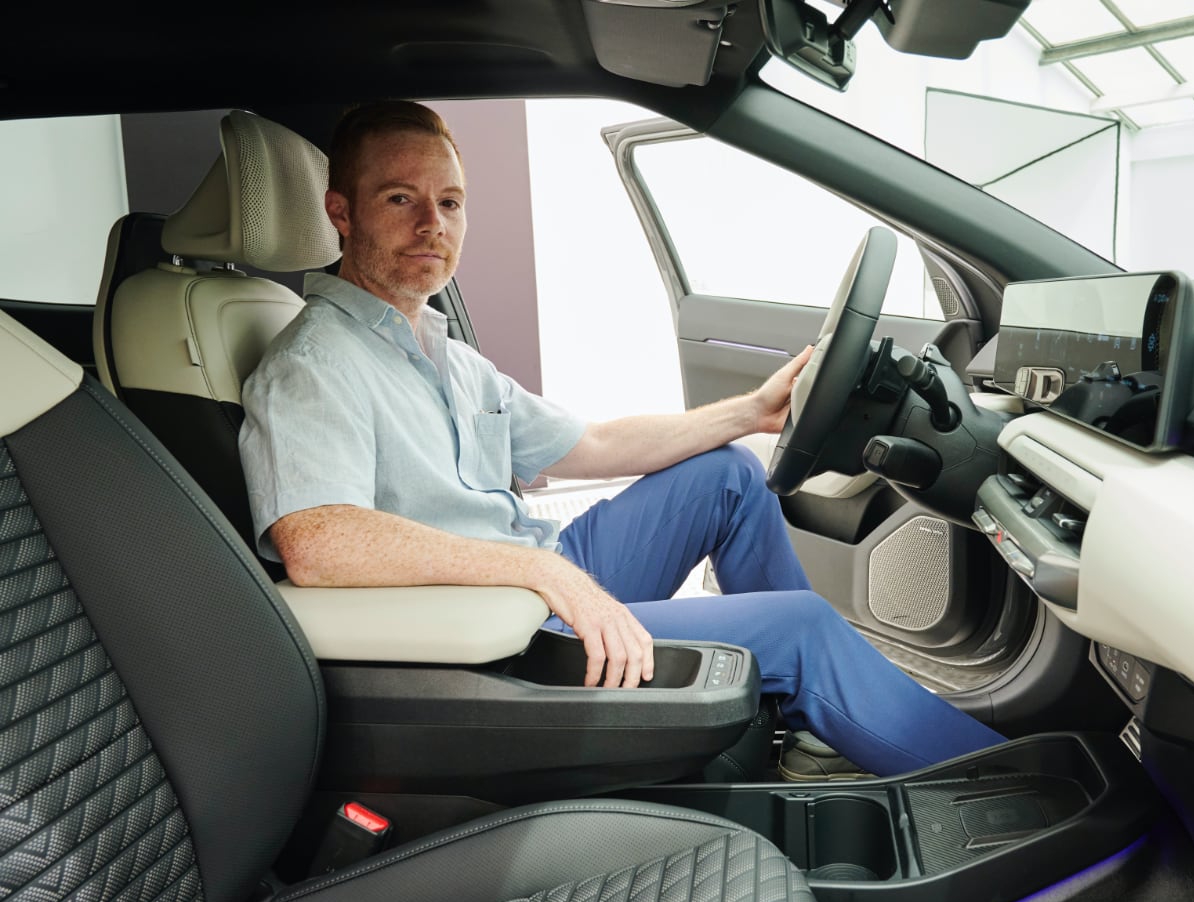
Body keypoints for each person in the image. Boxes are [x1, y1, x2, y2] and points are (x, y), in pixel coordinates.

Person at [238, 100, 1004, 778]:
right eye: (400, 198)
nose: (432, 225)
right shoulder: (315, 362)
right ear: (342, 213)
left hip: (532, 579)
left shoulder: (445, 354)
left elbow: (595, 446)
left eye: (450, 202)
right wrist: (540, 572)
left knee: (729, 475)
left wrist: (752, 412)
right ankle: (1008, 783)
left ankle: (800, 718)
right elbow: (319, 541)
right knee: (802, 630)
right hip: (496, 636)